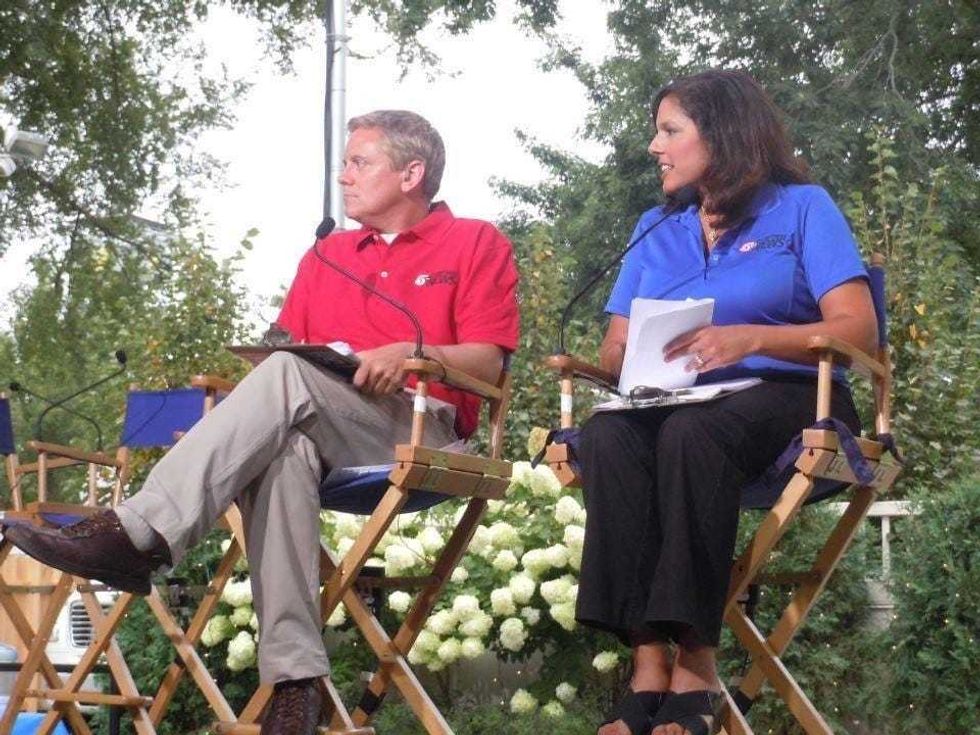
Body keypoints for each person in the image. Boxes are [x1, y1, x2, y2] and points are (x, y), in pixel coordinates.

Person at [4, 110, 520, 734]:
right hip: (320, 420)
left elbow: (488, 362)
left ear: (411, 174)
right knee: (282, 448)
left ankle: (137, 536)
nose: (344, 176)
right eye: (345, 163)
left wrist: (412, 353)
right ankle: (296, 686)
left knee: (284, 378)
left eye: (359, 163)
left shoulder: (475, 241)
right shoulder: (327, 254)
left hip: (421, 423)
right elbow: (289, 353)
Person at [575, 70, 877, 735]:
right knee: (605, 437)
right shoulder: (654, 228)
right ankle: (646, 663)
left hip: (794, 395)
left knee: (693, 433)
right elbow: (612, 348)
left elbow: (859, 330)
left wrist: (752, 338)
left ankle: (697, 664)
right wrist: (633, 354)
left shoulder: (802, 208)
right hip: (675, 399)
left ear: (723, 134)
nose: (655, 146)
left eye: (670, 130)